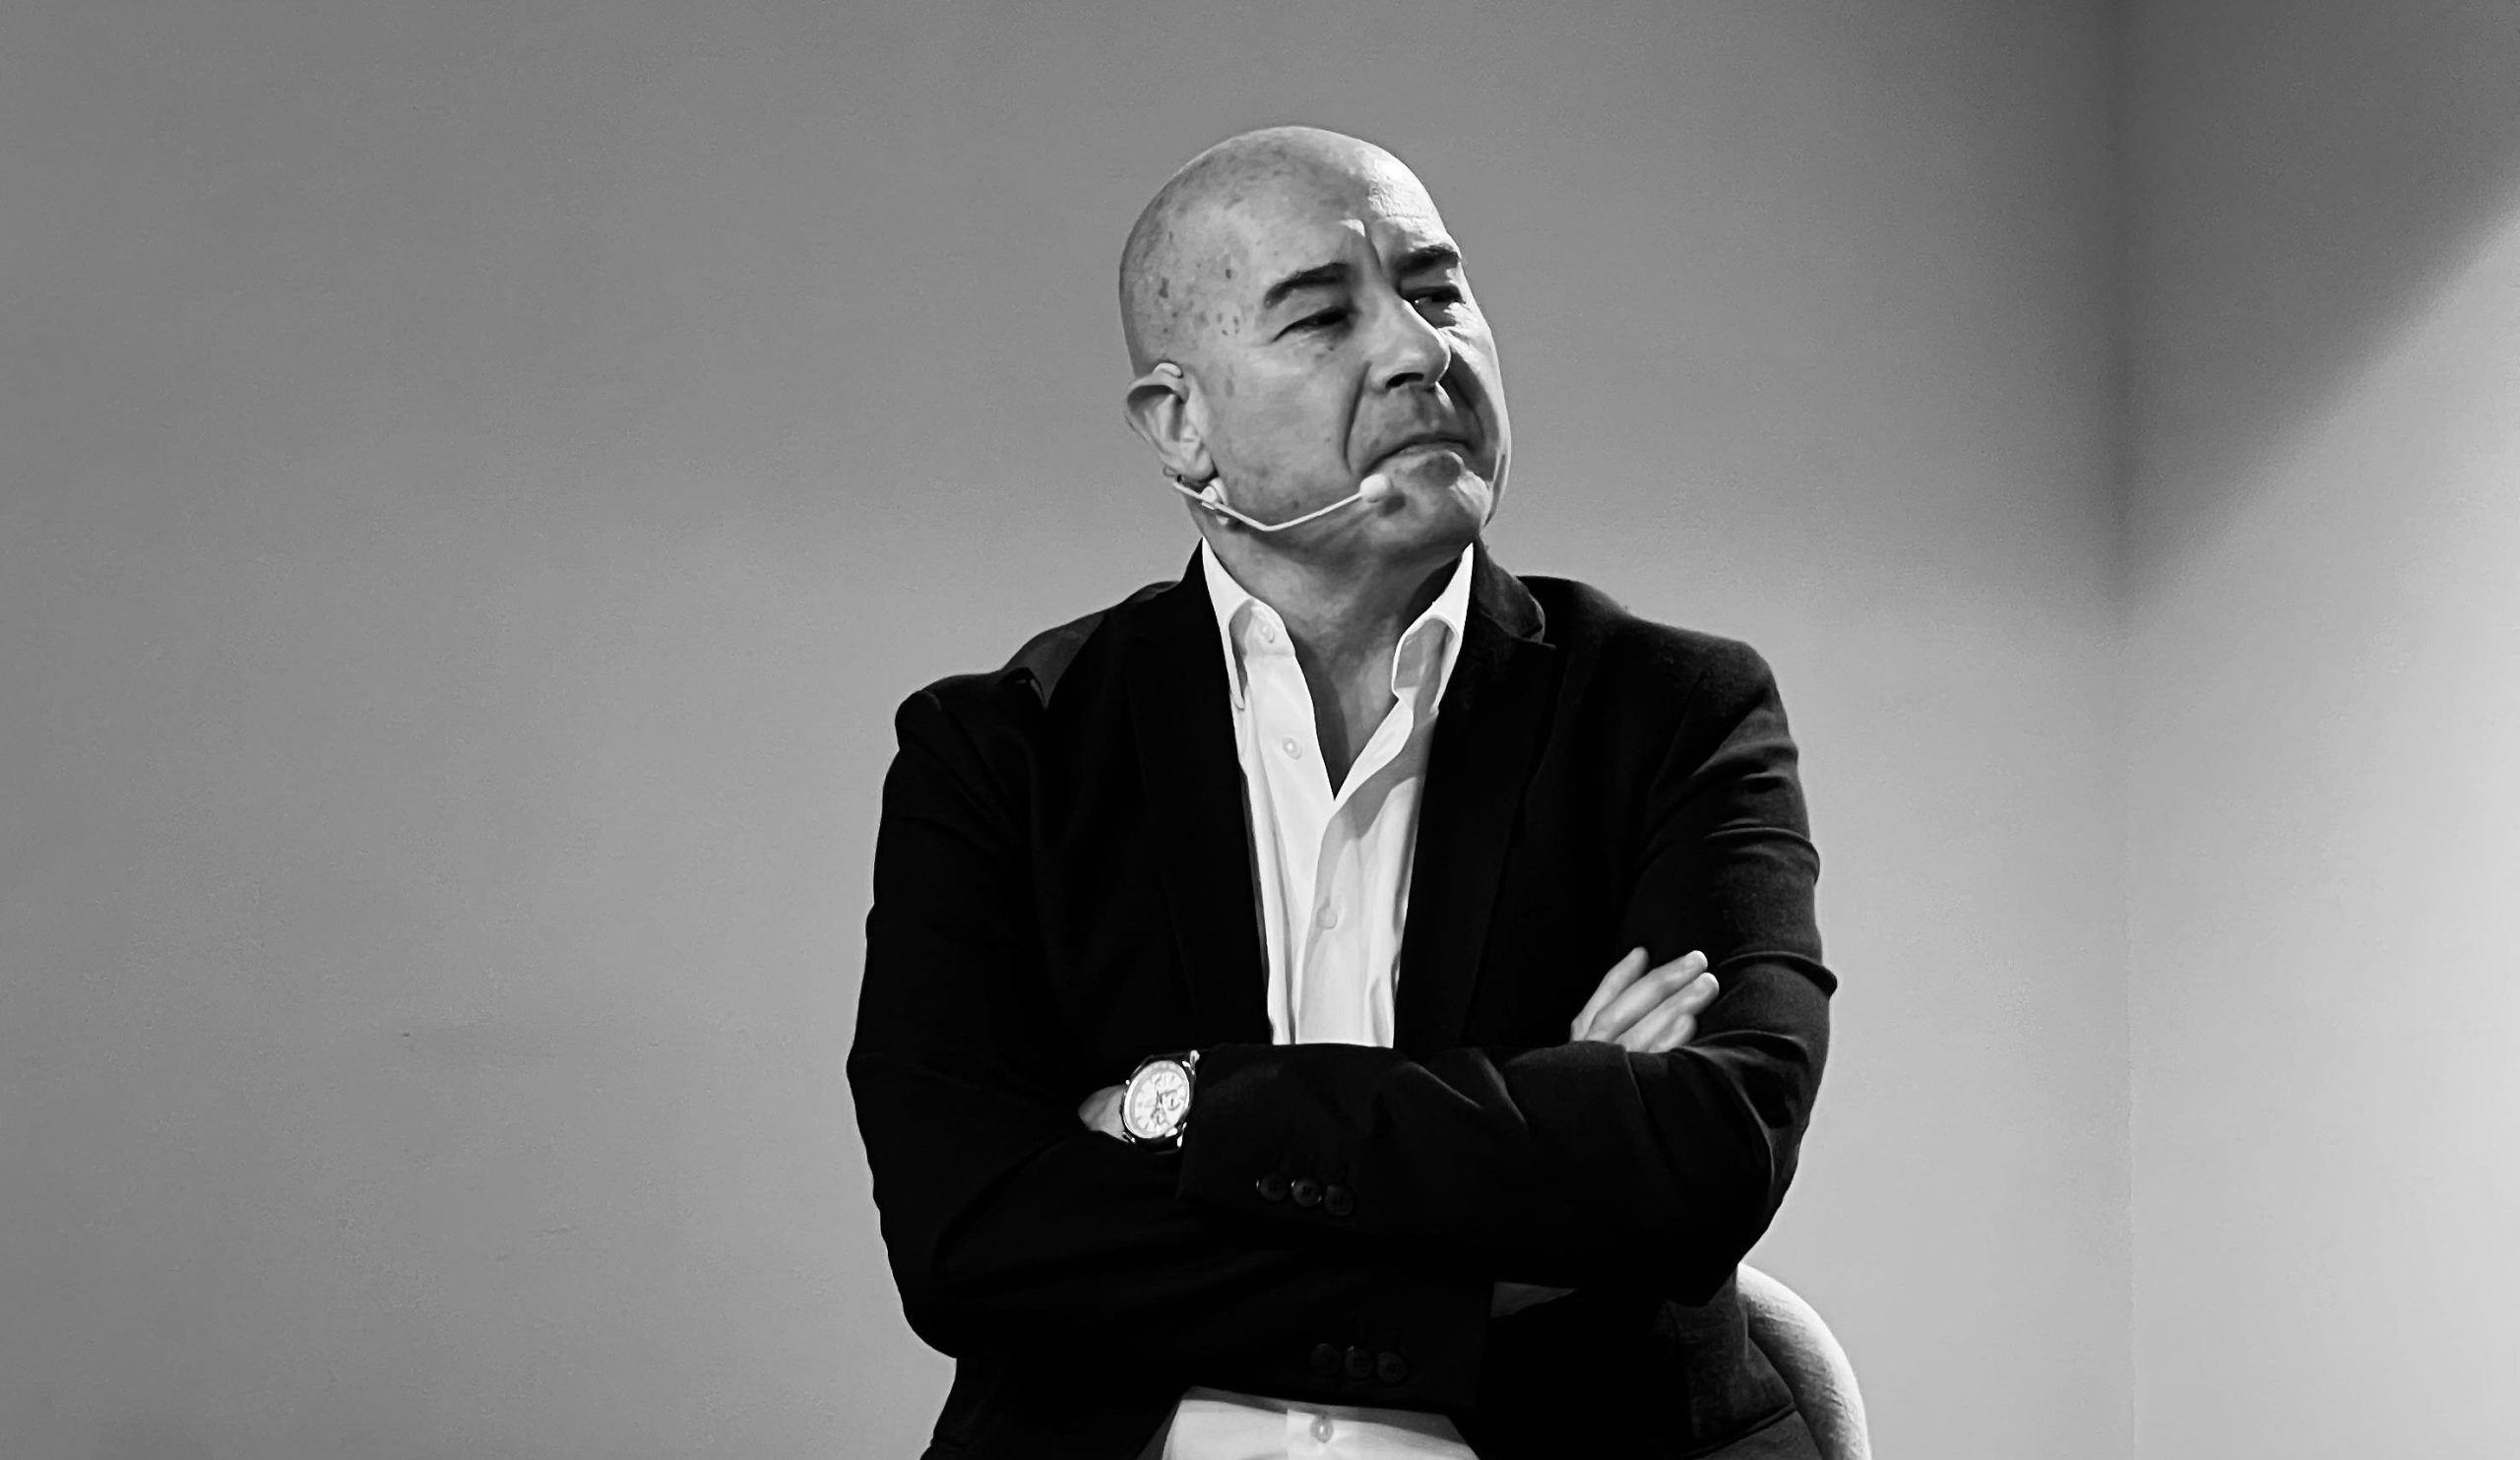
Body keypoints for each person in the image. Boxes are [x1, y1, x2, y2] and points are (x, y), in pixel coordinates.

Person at [849, 125, 1834, 1459]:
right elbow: (973, 1242)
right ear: (1181, 426)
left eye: (1438, 291)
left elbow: (1713, 1150)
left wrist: (1193, 1106)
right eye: (1322, 315)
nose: (1422, 351)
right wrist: (1522, 1200)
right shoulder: (999, 750)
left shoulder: (1673, 710)